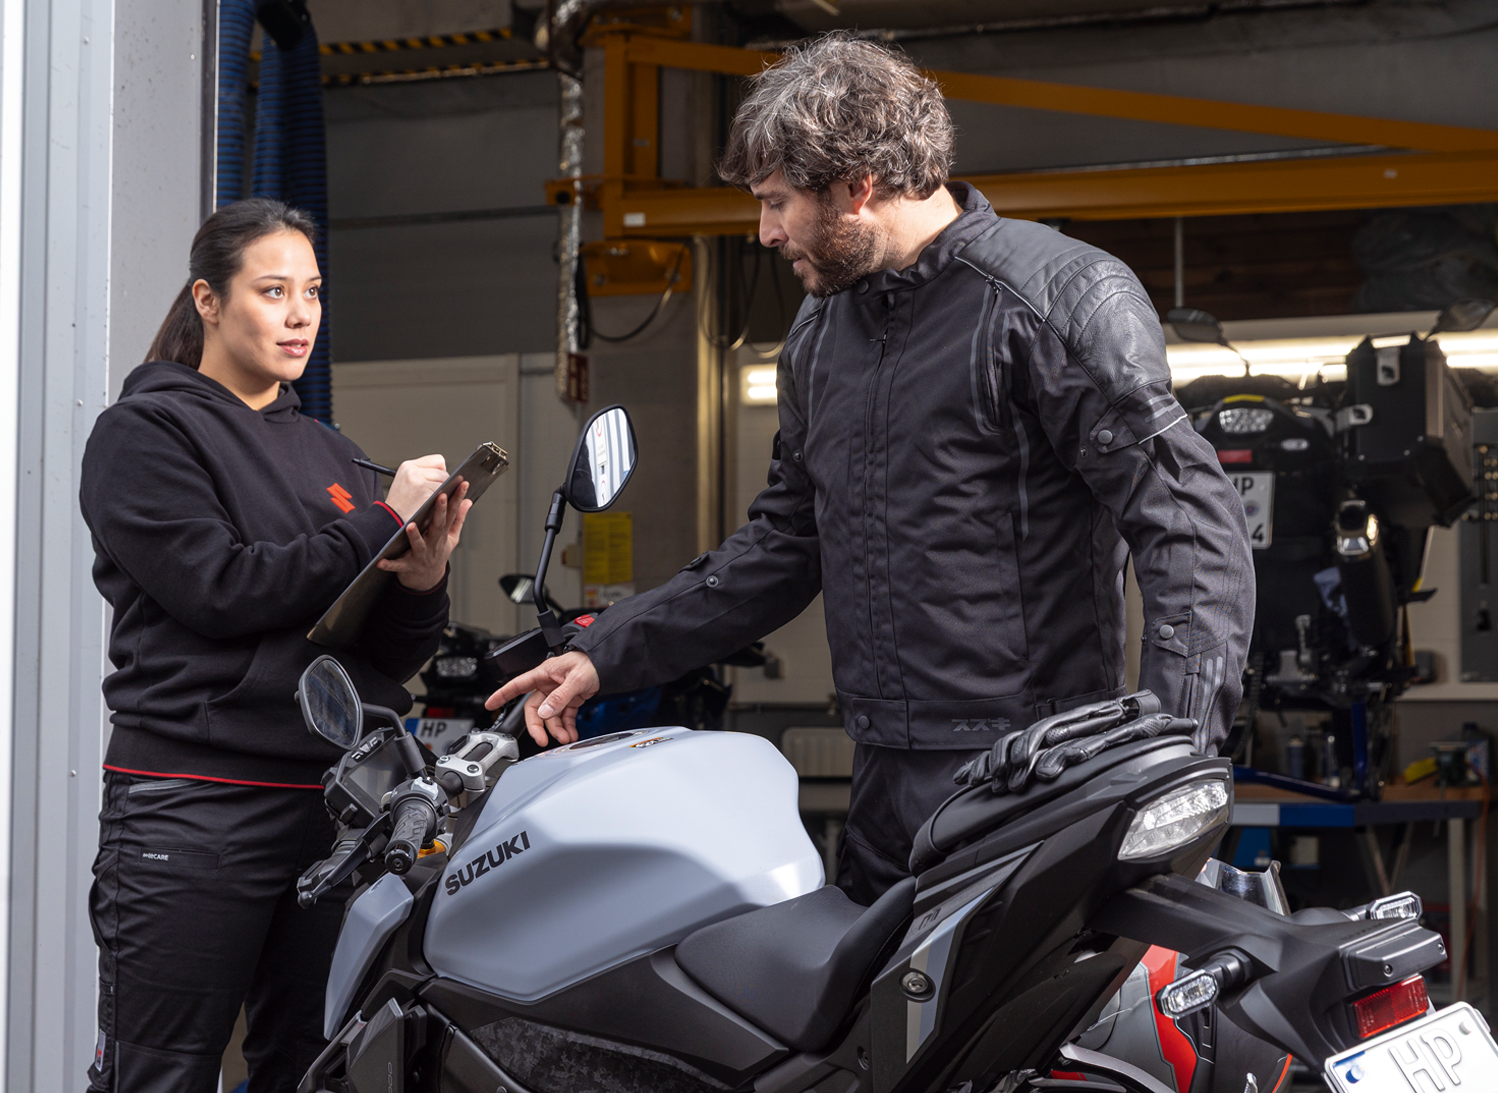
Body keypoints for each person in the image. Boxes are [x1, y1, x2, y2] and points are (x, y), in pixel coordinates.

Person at [489, 35, 1254, 904]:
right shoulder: (821, 337)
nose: (765, 233)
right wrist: (604, 653)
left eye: (777, 203)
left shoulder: (1052, 302)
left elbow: (1191, 529)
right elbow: (784, 543)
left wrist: (1166, 764)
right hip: (885, 781)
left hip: (1034, 781)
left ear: (856, 186)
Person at [75, 198, 471, 1093]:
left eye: (313, 293)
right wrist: (379, 521)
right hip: (193, 808)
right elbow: (220, 589)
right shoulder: (144, 434)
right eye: (273, 291)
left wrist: (420, 576)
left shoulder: (332, 456)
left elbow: (381, 653)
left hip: (331, 816)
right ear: (208, 301)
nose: (300, 315)